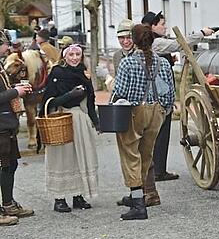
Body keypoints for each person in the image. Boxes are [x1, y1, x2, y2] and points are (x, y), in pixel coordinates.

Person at [113, 24, 175, 220]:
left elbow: (120, 92)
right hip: (157, 111)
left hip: (134, 110)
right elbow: (170, 92)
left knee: (131, 155)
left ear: (134, 40)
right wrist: (163, 110)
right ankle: (139, 195)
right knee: (146, 154)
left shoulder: (128, 63)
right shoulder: (163, 63)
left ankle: (139, 203)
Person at [42, 44, 99, 213]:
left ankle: (78, 195)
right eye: (71, 54)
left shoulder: (83, 72)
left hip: (81, 118)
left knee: (80, 157)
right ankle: (59, 198)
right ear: (64, 56)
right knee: (62, 158)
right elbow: (49, 101)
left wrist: (96, 121)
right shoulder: (57, 73)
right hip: (62, 118)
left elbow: (90, 99)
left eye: (78, 54)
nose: (74, 58)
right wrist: (70, 95)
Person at [0, 31, 34, 226]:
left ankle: (9, 204)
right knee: (1, 166)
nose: (8, 47)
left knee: (10, 164)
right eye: (5, 44)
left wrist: (15, 87)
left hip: (7, 125)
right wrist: (16, 91)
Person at [141, 11, 179, 184]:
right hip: (160, 97)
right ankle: (157, 170)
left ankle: (158, 169)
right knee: (160, 134)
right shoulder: (156, 42)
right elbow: (179, 44)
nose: (165, 27)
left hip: (157, 96)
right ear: (153, 26)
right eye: (162, 24)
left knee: (158, 135)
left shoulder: (152, 44)